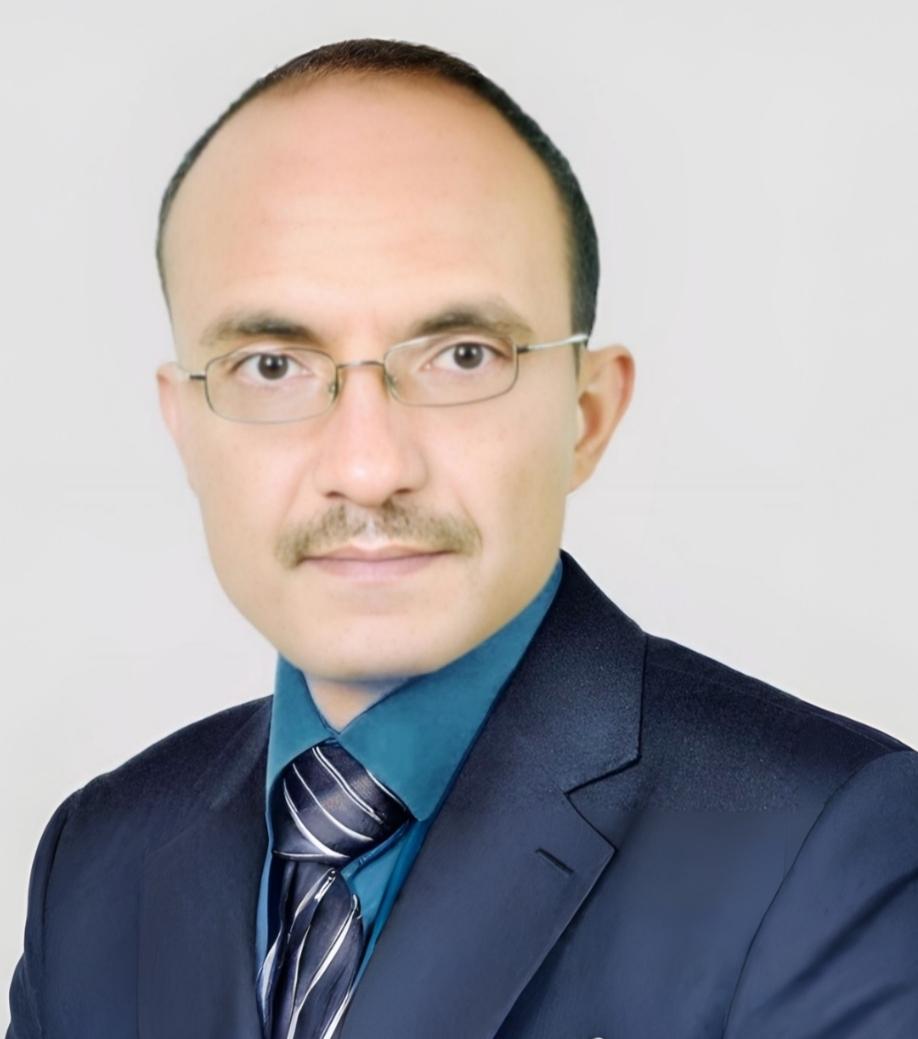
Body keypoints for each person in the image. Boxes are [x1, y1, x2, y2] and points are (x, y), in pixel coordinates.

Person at [7, 36, 918, 1039]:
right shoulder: (96, 863)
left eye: (463, 356)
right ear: (185, 426)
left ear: (587, 414)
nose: (368, 466)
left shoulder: (826, 849)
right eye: (271, 366)